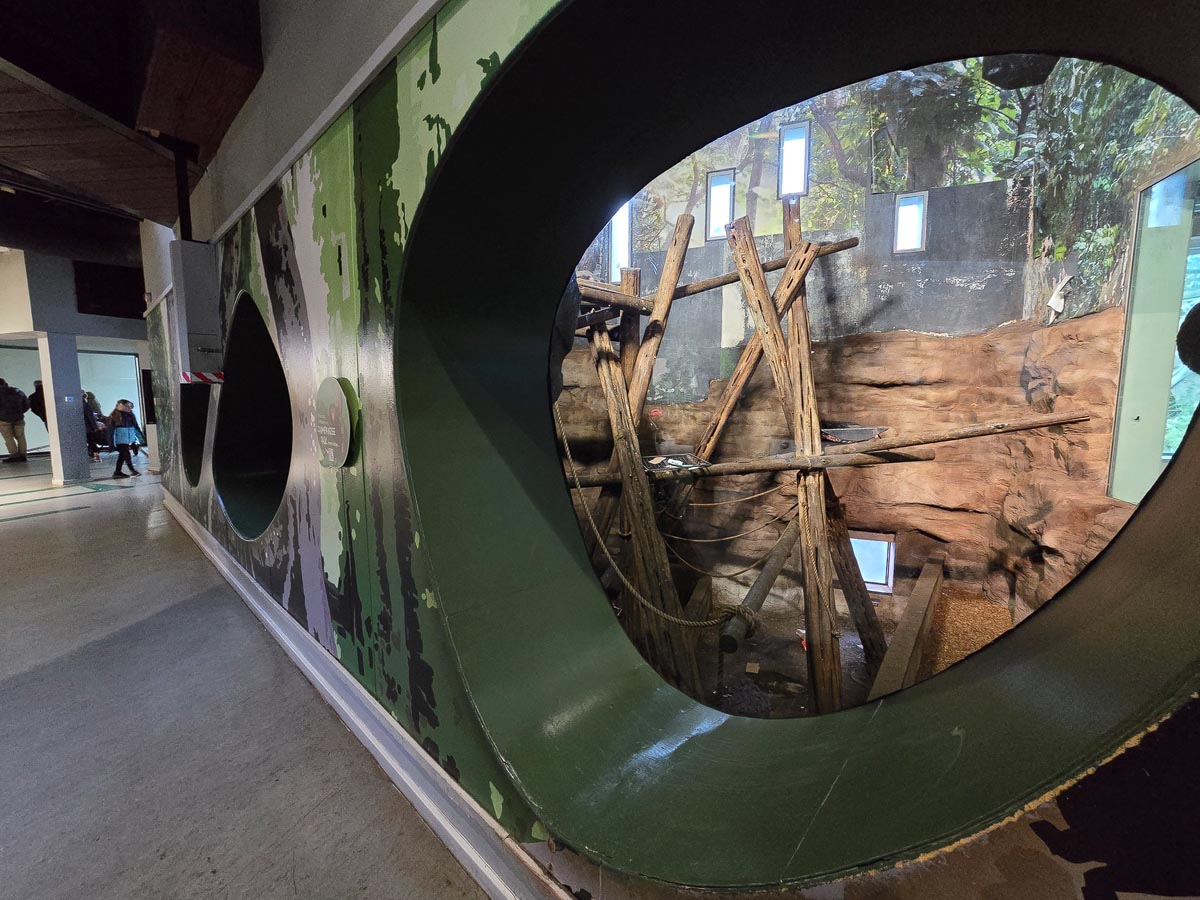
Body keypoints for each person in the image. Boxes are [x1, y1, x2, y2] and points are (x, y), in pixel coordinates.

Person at [107, 399, 145, 479]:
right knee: (126, 454)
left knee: (122, 456)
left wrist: (140, 438)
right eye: (127, 406)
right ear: (120, 405)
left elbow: (135, 428)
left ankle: (117, 472)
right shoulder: (114, 417)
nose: (129, 408)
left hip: (127, 439)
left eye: (130, 407)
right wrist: (111, 444)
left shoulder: (130, 415)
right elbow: (110, 432)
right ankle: (132, 470)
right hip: (120, 440)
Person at [0, 377, 30, 463]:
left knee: (8, 438)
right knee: (21, 437)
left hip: (3, 419)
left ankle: (14, 455)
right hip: (19, 418)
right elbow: (27, 403)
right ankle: (23, 455)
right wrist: (21, 412)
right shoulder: (17, 391)